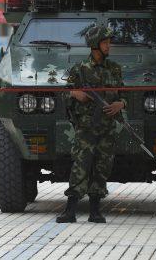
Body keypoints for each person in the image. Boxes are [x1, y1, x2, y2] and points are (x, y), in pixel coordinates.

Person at [56, 25, 127, 224]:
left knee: (102, 166)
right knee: (81, 165)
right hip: (86, 127)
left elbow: (124, 94)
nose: (109, 45)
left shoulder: (114, 69)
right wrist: (74, 93)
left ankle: (95, 211)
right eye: (105, 42)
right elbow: (65, 92)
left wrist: (119, 104)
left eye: (109, 42)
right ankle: (70, 210)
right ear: (95, 45)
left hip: (107, 127)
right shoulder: (80, 69)